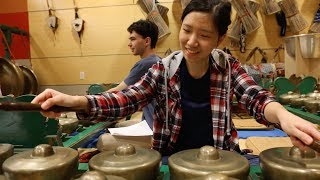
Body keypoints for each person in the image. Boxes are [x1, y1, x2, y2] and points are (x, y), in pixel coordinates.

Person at [32, 0, 320, 157]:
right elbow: (126, 99)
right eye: (186, 30)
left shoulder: (228, 66)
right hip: (173, 159)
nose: (192, 42)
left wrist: (284, 118)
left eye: (205, 35)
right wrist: (75, 101)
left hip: (222, 160)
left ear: (220, 38)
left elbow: (255, 97)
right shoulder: (163, 69)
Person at [107, 19, 161, 129]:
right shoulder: (158, 60)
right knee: (118, 125)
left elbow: (118, 90)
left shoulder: (145, 64)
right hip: (154, 122)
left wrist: (85, 100)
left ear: (147, 41)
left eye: (133, 39)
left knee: (102, 140)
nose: (129, 44)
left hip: (153, 128)